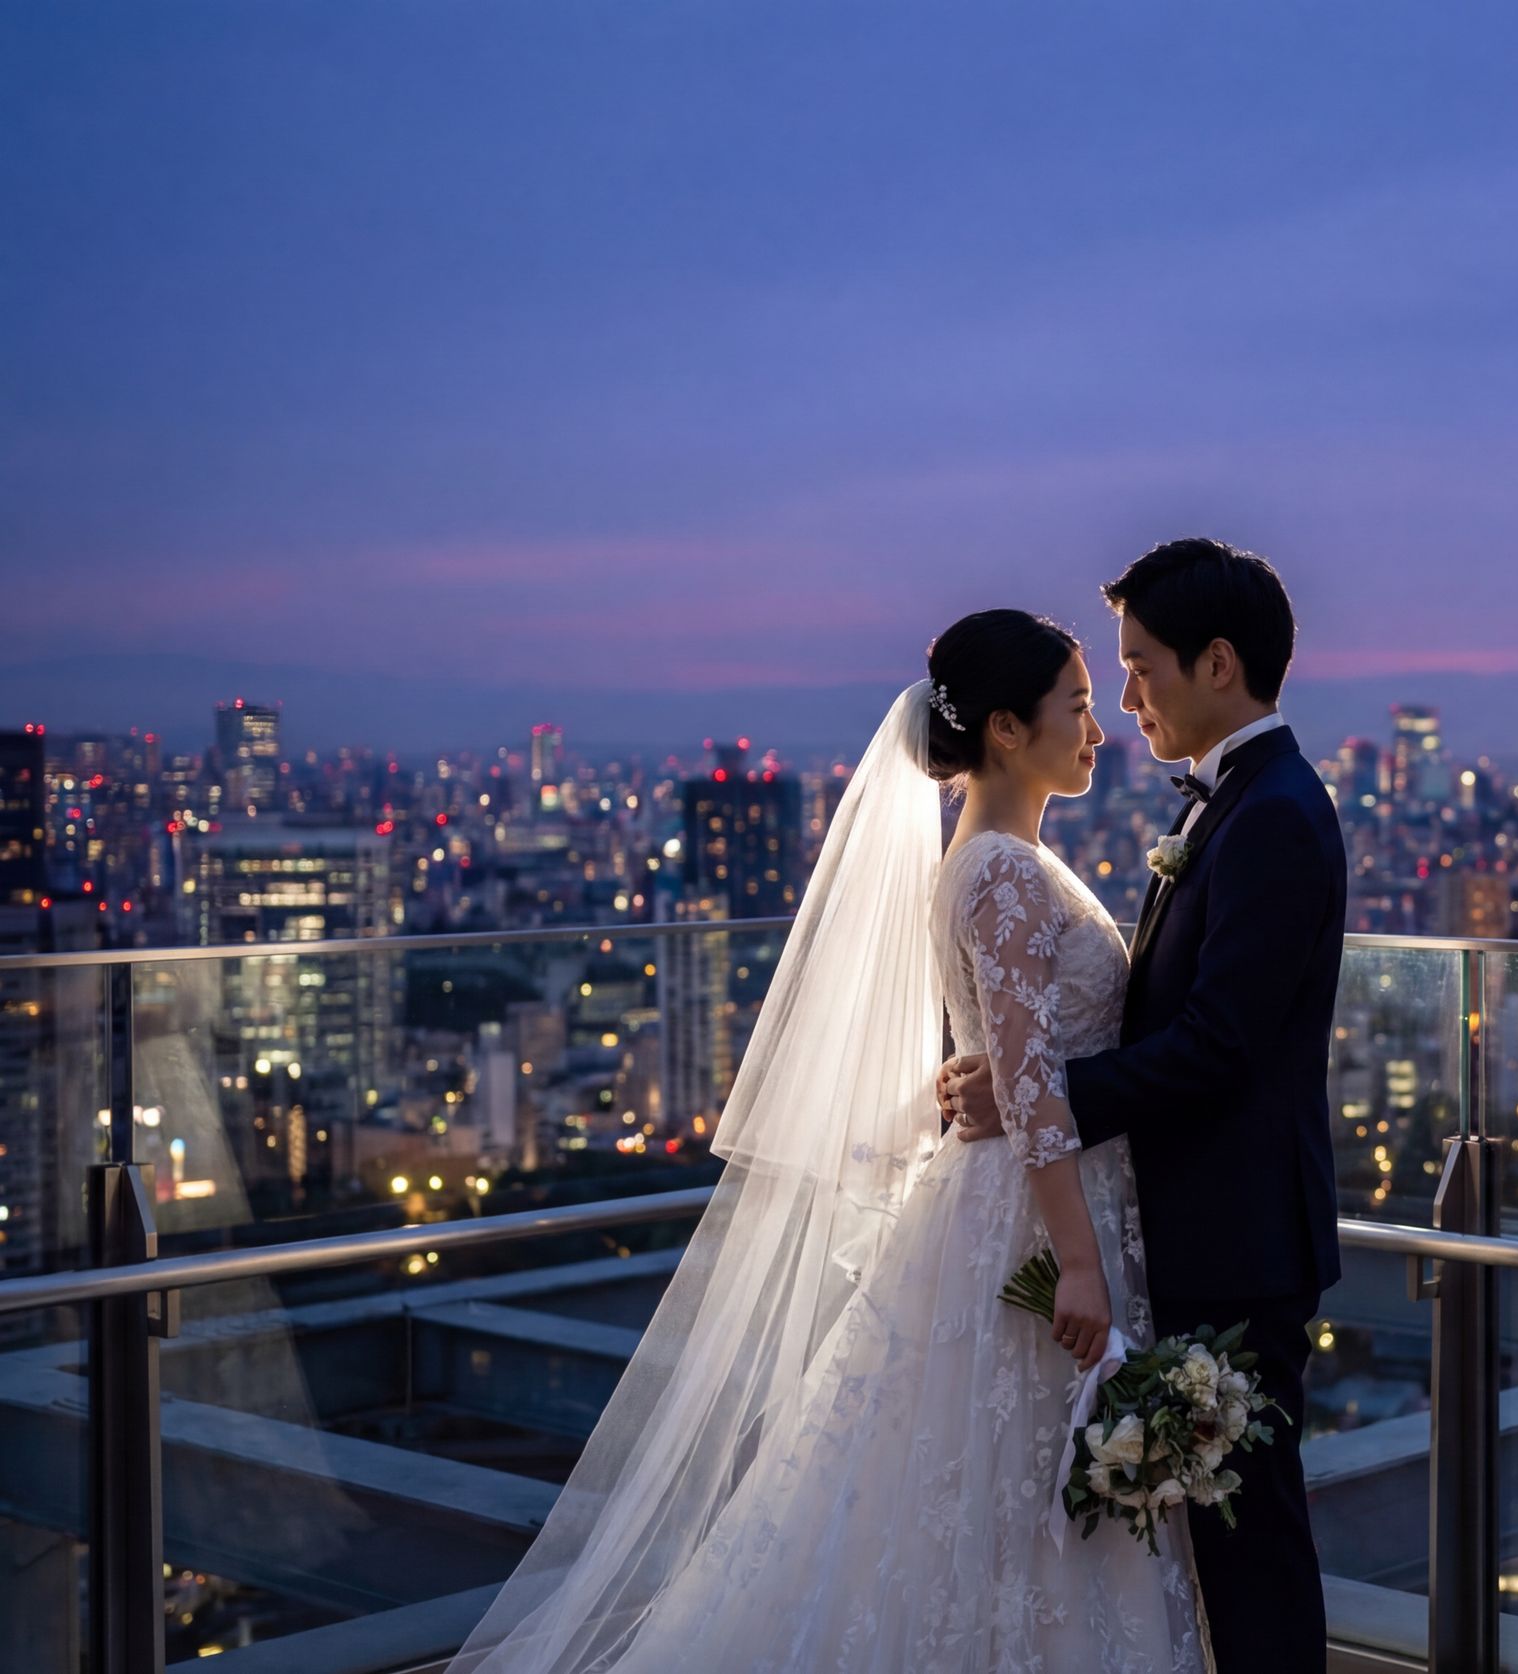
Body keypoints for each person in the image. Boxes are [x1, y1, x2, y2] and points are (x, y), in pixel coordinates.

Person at [455, 609, 1208, 1674]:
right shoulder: (1004, 872)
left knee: (992, 1495)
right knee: (1020, 1493)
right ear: (1005, 729)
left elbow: (1015, 1071)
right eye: (1078, 707)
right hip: (1037, 1223)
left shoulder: (996, 860)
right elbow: (1031, 1087)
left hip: (1024, 1201)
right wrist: (1079, 1263)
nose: (1099, 730)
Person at [944, 536, 1346, 1674]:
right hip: (1193, 1230)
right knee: (1210, 1540)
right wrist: (1024, 1085)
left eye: (1140, 669)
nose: (1125, 701)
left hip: (1238, 1241)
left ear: (1218, 664)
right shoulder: (1239, 804)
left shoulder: (1271, 815)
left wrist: (1032, 1096)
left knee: (1250, 1544)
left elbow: (1218, 1046)